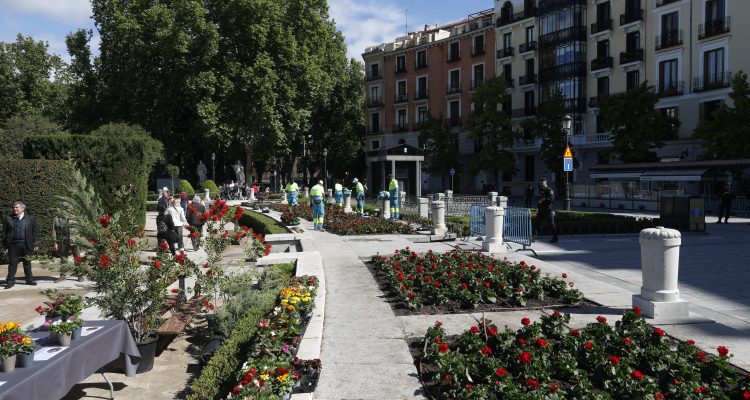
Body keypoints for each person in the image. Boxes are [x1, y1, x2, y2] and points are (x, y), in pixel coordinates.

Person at [3, 201, 39, 289]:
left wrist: (36, 243)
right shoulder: (8, 218)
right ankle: (10, 281)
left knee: (27, 262)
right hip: (13, 244)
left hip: (26, 244)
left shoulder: (30, 218)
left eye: (16, 207)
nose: (14, 209)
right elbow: (4, 233)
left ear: (22, 208)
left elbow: (34, 232)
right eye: (13, 207)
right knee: (12, 263)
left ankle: (29, 280)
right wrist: (5, 246)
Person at [52, 203, 82, 282]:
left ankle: (80, 274)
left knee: (77, 258)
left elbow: (81, 228)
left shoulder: (75, 218)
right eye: (64, 208)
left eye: (67, 208)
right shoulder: (57, 218)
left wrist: (80, 238)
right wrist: (55, 243)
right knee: (63, 258)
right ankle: (63, 276)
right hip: (63, 242)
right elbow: (54, 231)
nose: (66, 210)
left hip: (74, 241)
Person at [534, 178, 559, 243]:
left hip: (548, 209)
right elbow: (539, 200)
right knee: (537, 223)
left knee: (551, 224)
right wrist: (538, 207)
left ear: (546, 182)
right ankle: (534, 236)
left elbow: (552, 200)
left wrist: (543, 199)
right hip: (541, 209)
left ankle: (555, 237)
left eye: (542, 182)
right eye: (540, 182)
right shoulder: (541, 190)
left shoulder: (549, 190)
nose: (541, 183)